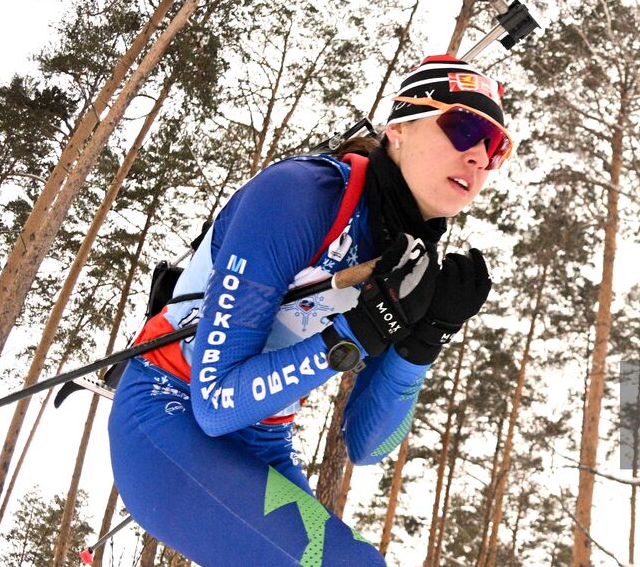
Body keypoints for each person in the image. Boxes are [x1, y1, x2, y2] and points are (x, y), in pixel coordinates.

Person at [108, 55, 509, 566]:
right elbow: (215, 403)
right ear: (399, 130)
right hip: (171, 412)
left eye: (494, 147)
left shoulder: (409, 260)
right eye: (463, 127)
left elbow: (366, 444)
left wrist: (425, 338)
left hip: (265, 443)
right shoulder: (303, 195)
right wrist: (357, 335)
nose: (478, 155)